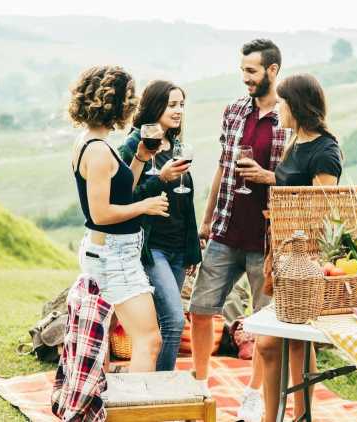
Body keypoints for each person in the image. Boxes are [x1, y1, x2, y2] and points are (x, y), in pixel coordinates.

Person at [188, 39, 285, 422]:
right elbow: (221, 169)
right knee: (200, 309)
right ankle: (199, 384)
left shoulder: (286, 117)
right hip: (226, 230)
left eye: (251, 71)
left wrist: (266, 177)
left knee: (263, 323)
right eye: (242, 70)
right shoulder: (233, 112)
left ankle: (253, 394)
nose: (244, 77)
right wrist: (208, 220)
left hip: (265, 239)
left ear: (272, 71)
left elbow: (294, 178)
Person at [69, 65, 169, 372]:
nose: (134, 105)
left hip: (113, 252)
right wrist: (146, 207)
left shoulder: (93, 142)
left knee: (134, 339)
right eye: (130, 98)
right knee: (149, 340)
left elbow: (119, 194)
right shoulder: (98, 151)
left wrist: (138, 159)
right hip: (114, 257)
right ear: (115, 104)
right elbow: (101, 214)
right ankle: (140, 414)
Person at [255, 73, 342, 422]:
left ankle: (292, 416)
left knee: (278, 340)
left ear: (298, 106)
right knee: (287, 341)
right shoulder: (294, 142)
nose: (277, 108)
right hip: (282, 253)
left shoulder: (325, 150)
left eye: (282, 102)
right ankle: (284, 416)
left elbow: (324, 211)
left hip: (306, 260)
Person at [118, 80, 201, 371]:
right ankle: (160, 391)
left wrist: (192, 251)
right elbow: (125, 198)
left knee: (167, 323)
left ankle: (155, 390)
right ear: (155, 106)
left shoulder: (176, 146)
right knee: (175, 321)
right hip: (152, 248)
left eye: (181, 105)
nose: (178, 111)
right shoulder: (135, 144)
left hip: (178, 248)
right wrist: (160, 179)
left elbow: (185, 200)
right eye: (172, 105)